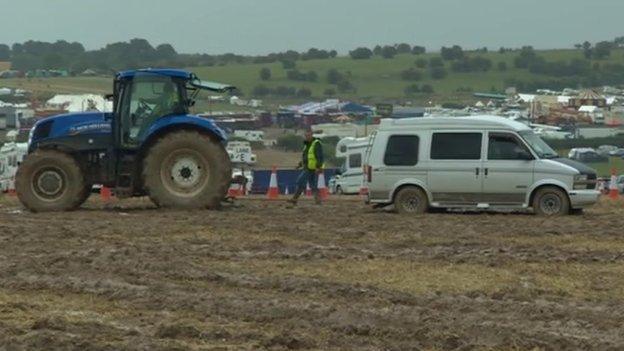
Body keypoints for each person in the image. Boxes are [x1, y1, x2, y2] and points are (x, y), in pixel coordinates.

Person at [289, 130, 324, 205]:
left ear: (312, 135)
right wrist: (300, 165)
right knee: (313, 185)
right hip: (308, 167)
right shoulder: (307, 145)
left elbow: (320, 156)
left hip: (311, 168)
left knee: (300, 181)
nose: (307, 137)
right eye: (306, 136)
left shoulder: (316, 143)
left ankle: (295, 198)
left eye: (308, 135)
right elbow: (306, 157)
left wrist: (318, 167)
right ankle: (318, 200)